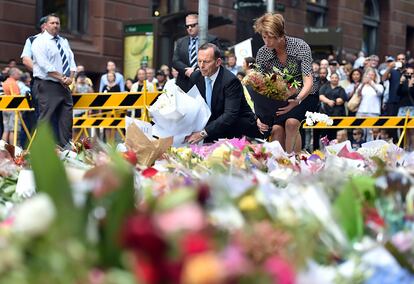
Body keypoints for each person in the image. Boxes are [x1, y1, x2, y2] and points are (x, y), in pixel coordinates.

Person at [253, 13, 319, 153]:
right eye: (264, 37)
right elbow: (258, 86)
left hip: (305, 94)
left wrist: (297, 100)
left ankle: (295, 165)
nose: (267, 42)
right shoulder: (262, 53)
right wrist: (258, 115)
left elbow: (308, 80)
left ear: (281, 35)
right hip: (279, 98)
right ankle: (278, 168)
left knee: (291, 123)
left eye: (271, 37)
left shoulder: (300, 46)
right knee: (276, 129)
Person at [185, 43, 260, 144]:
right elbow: (191, 106)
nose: (202, 66)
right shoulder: (195, 77)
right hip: (209, 128)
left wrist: (203, 133)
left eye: (206, 62)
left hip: (232, 131)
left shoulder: (230, 81)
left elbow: (230, 115)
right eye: (199, 61)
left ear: (218, 62)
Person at [31, 13, 76, 147]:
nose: (55, 25)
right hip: (48, 85)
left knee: (66, 119)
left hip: (64, 85)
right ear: (45, 26)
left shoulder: (63, 41)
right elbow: (44, 65)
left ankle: (66, 148)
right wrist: (62, 77)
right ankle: (41, 150)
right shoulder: (39, 41)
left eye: (57, 23)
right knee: (46, 119)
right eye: (52, 23)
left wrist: (71, 78)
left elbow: (71, 61)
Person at [172, 13, 221, 92]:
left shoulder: (211, 40)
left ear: (199, 25)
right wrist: (187, 71)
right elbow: (175, 61)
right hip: (184, 82)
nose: (190, 28)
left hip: (205, 80)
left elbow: (215, 59)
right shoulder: (180, 41)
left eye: (193, 25)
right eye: (187, 26)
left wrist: (196, 70)